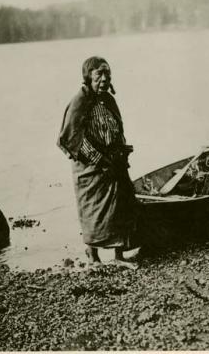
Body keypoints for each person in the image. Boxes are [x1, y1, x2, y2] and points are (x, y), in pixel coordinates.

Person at [57, 56, 138, 269]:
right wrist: (98, 160)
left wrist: (120, 150)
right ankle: (93, 257)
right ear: (88, 78)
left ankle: (119, 255)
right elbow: (70, 137)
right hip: (90, 168)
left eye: (107, 74)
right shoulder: (79, 101)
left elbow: (117, 127)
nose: (104, 79)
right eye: (98, 74)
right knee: (93, 210)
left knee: (120, 206)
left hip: (113, 163)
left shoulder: (109, 100)